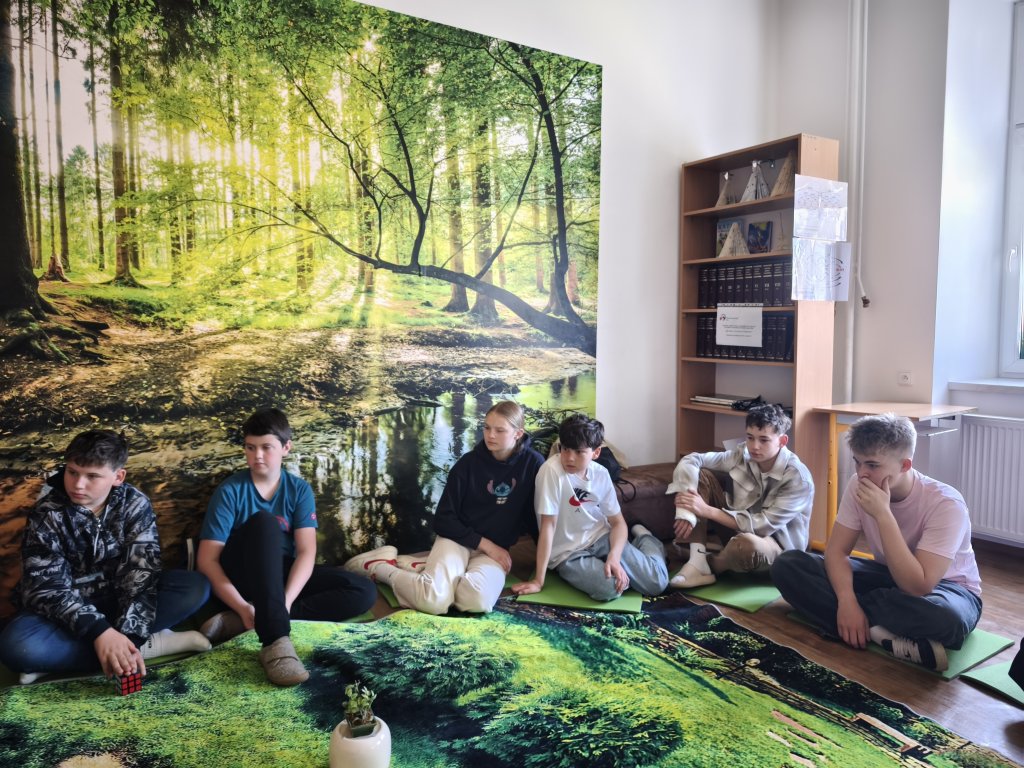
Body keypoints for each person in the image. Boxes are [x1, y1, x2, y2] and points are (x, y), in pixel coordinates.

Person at [771, 413, 982, 672]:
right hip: (888, 577)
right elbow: (836, 552)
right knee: (788, 565)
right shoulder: (858, 484)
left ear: (905, 465)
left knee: (946, 620)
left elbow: (918, 586)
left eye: (872, 465)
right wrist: (847, 601)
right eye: (857, 462)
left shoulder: (946, 503)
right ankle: (878, 632)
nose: (862, 473)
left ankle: (854, 621)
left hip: (948, 590)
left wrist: (883, 514)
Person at [0, 430, 211, 684]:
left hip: (118, 599)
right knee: (17, 645)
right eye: (72, 472)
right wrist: (100, 632)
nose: (78, 484)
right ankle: (149, 645)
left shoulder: (135, 504)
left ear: (118, 477)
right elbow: (47, 588)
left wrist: (129, 635)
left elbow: (142, 573)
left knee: (194, 587)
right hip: (69, 610)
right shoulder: (47, 513)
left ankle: (105, 652)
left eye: (92, 476)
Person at [196, 408, 377, 686]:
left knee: (363, 590)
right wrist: (242, 605)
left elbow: (306, 552)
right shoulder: (230, 491)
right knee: (264, 523)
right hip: (242, 576)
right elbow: (207, 560)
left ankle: (253, 618)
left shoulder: (298, 489)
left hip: (279, 577)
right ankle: (275, 640)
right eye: (250, 447)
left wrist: (285, 602)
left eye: (266, 447)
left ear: (286, 448)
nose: (257, 455)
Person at [344, 401, 545, 615]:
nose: (490, 435)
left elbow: (537, 519)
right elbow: (443, 520)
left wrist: (543, 572)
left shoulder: (534, 464)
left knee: (477, 601)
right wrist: (487, 545)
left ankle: (428, 570)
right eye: (487, 428)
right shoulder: (467, 465)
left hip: (495, 549)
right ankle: (379, 566)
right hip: (456, 540)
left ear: (518, 433)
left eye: (499, 430)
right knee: (434, 601)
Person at [512, 413, 669, 601]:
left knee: (657, 583)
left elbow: (617, 523)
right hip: (568, 553)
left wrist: (614, 557)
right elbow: (548, 526)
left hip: (602, 536)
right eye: (565, 449)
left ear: (596, 453)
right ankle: (630, 555)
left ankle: (645, 537)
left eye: (579, 452)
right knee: (609, 589)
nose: (570, 458)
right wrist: (538, 580)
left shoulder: (601, 474)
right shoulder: (551, 471)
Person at [667, 403, 813, 589]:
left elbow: (762, 526)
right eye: (750, 437)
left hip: (775, 547)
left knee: (748, 544)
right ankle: (697, 560)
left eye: (764, 440)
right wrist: (686, 510)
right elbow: (692, 459)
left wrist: (706, 510)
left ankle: (709, 564)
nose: (754, 446)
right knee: (699, 475)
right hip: (736, 529)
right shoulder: (742, 454)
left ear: (782, 441)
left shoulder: (797, 477)